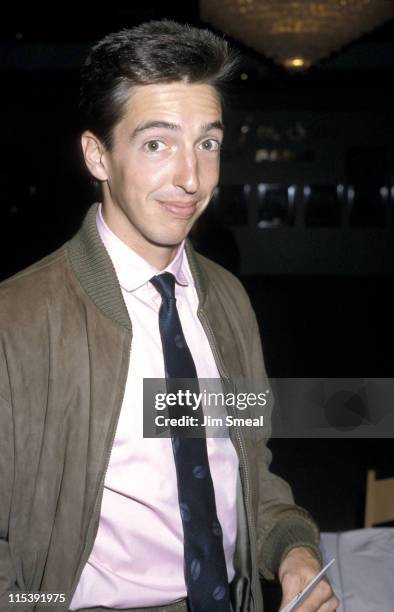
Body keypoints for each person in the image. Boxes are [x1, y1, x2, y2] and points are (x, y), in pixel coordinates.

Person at [0, 20, 338, 612]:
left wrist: (292, 550)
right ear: (97, 155)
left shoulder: (229, 302)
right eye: (157, 143)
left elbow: (249, 469)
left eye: (207, 142)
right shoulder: (16, 322)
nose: (192, 178)